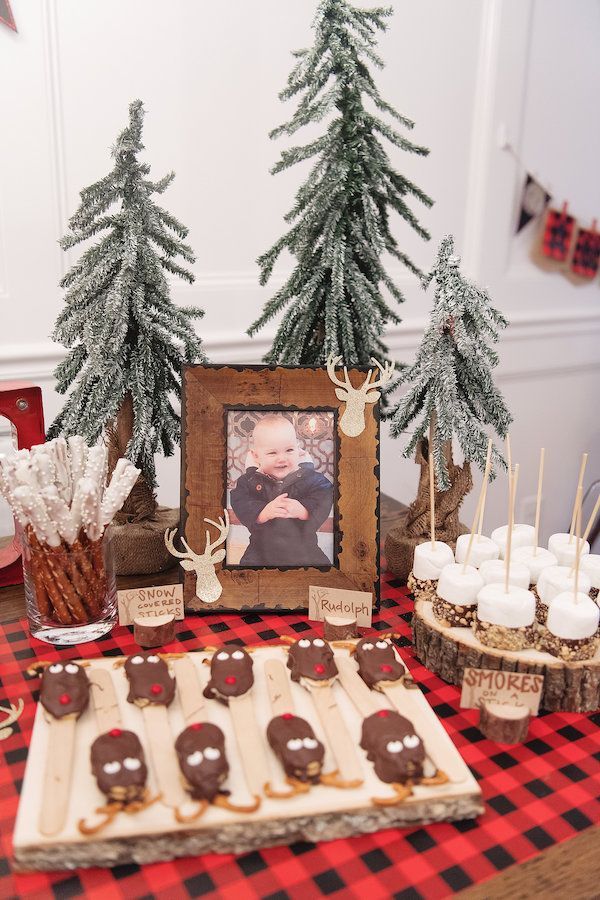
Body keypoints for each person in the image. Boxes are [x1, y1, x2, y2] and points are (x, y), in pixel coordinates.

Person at [230, 415, 333, 566]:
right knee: (246, 576)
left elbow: (325, 493)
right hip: (260, 549)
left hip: (304, 547)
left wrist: (305, 510)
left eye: (289, 450)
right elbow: (239, 499)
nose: (282, 458)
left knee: (323, 572)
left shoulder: (310, 478)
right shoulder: (249, 481)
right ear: (256, 456)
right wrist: (262, 512)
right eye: (272, 453)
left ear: (298, 450)